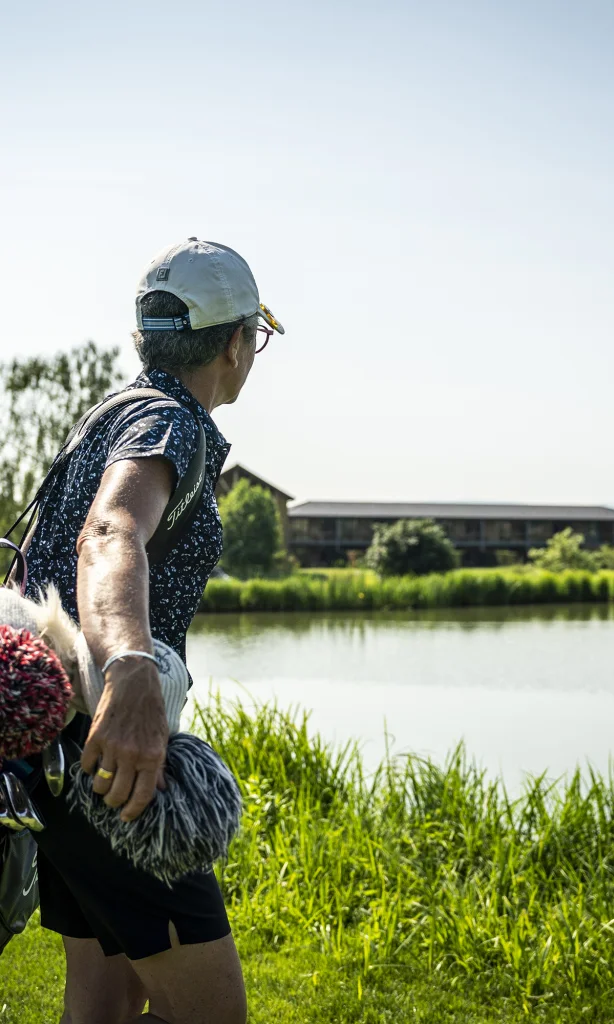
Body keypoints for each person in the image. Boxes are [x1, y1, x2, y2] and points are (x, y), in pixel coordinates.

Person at [24, 238, 285, 1024]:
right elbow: (111, 532)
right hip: (110, 755)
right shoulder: (171, 423)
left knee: (105, 998)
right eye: (257, 336)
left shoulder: (110, 415)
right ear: (234, 343)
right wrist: (131, 670)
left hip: (51, 746)